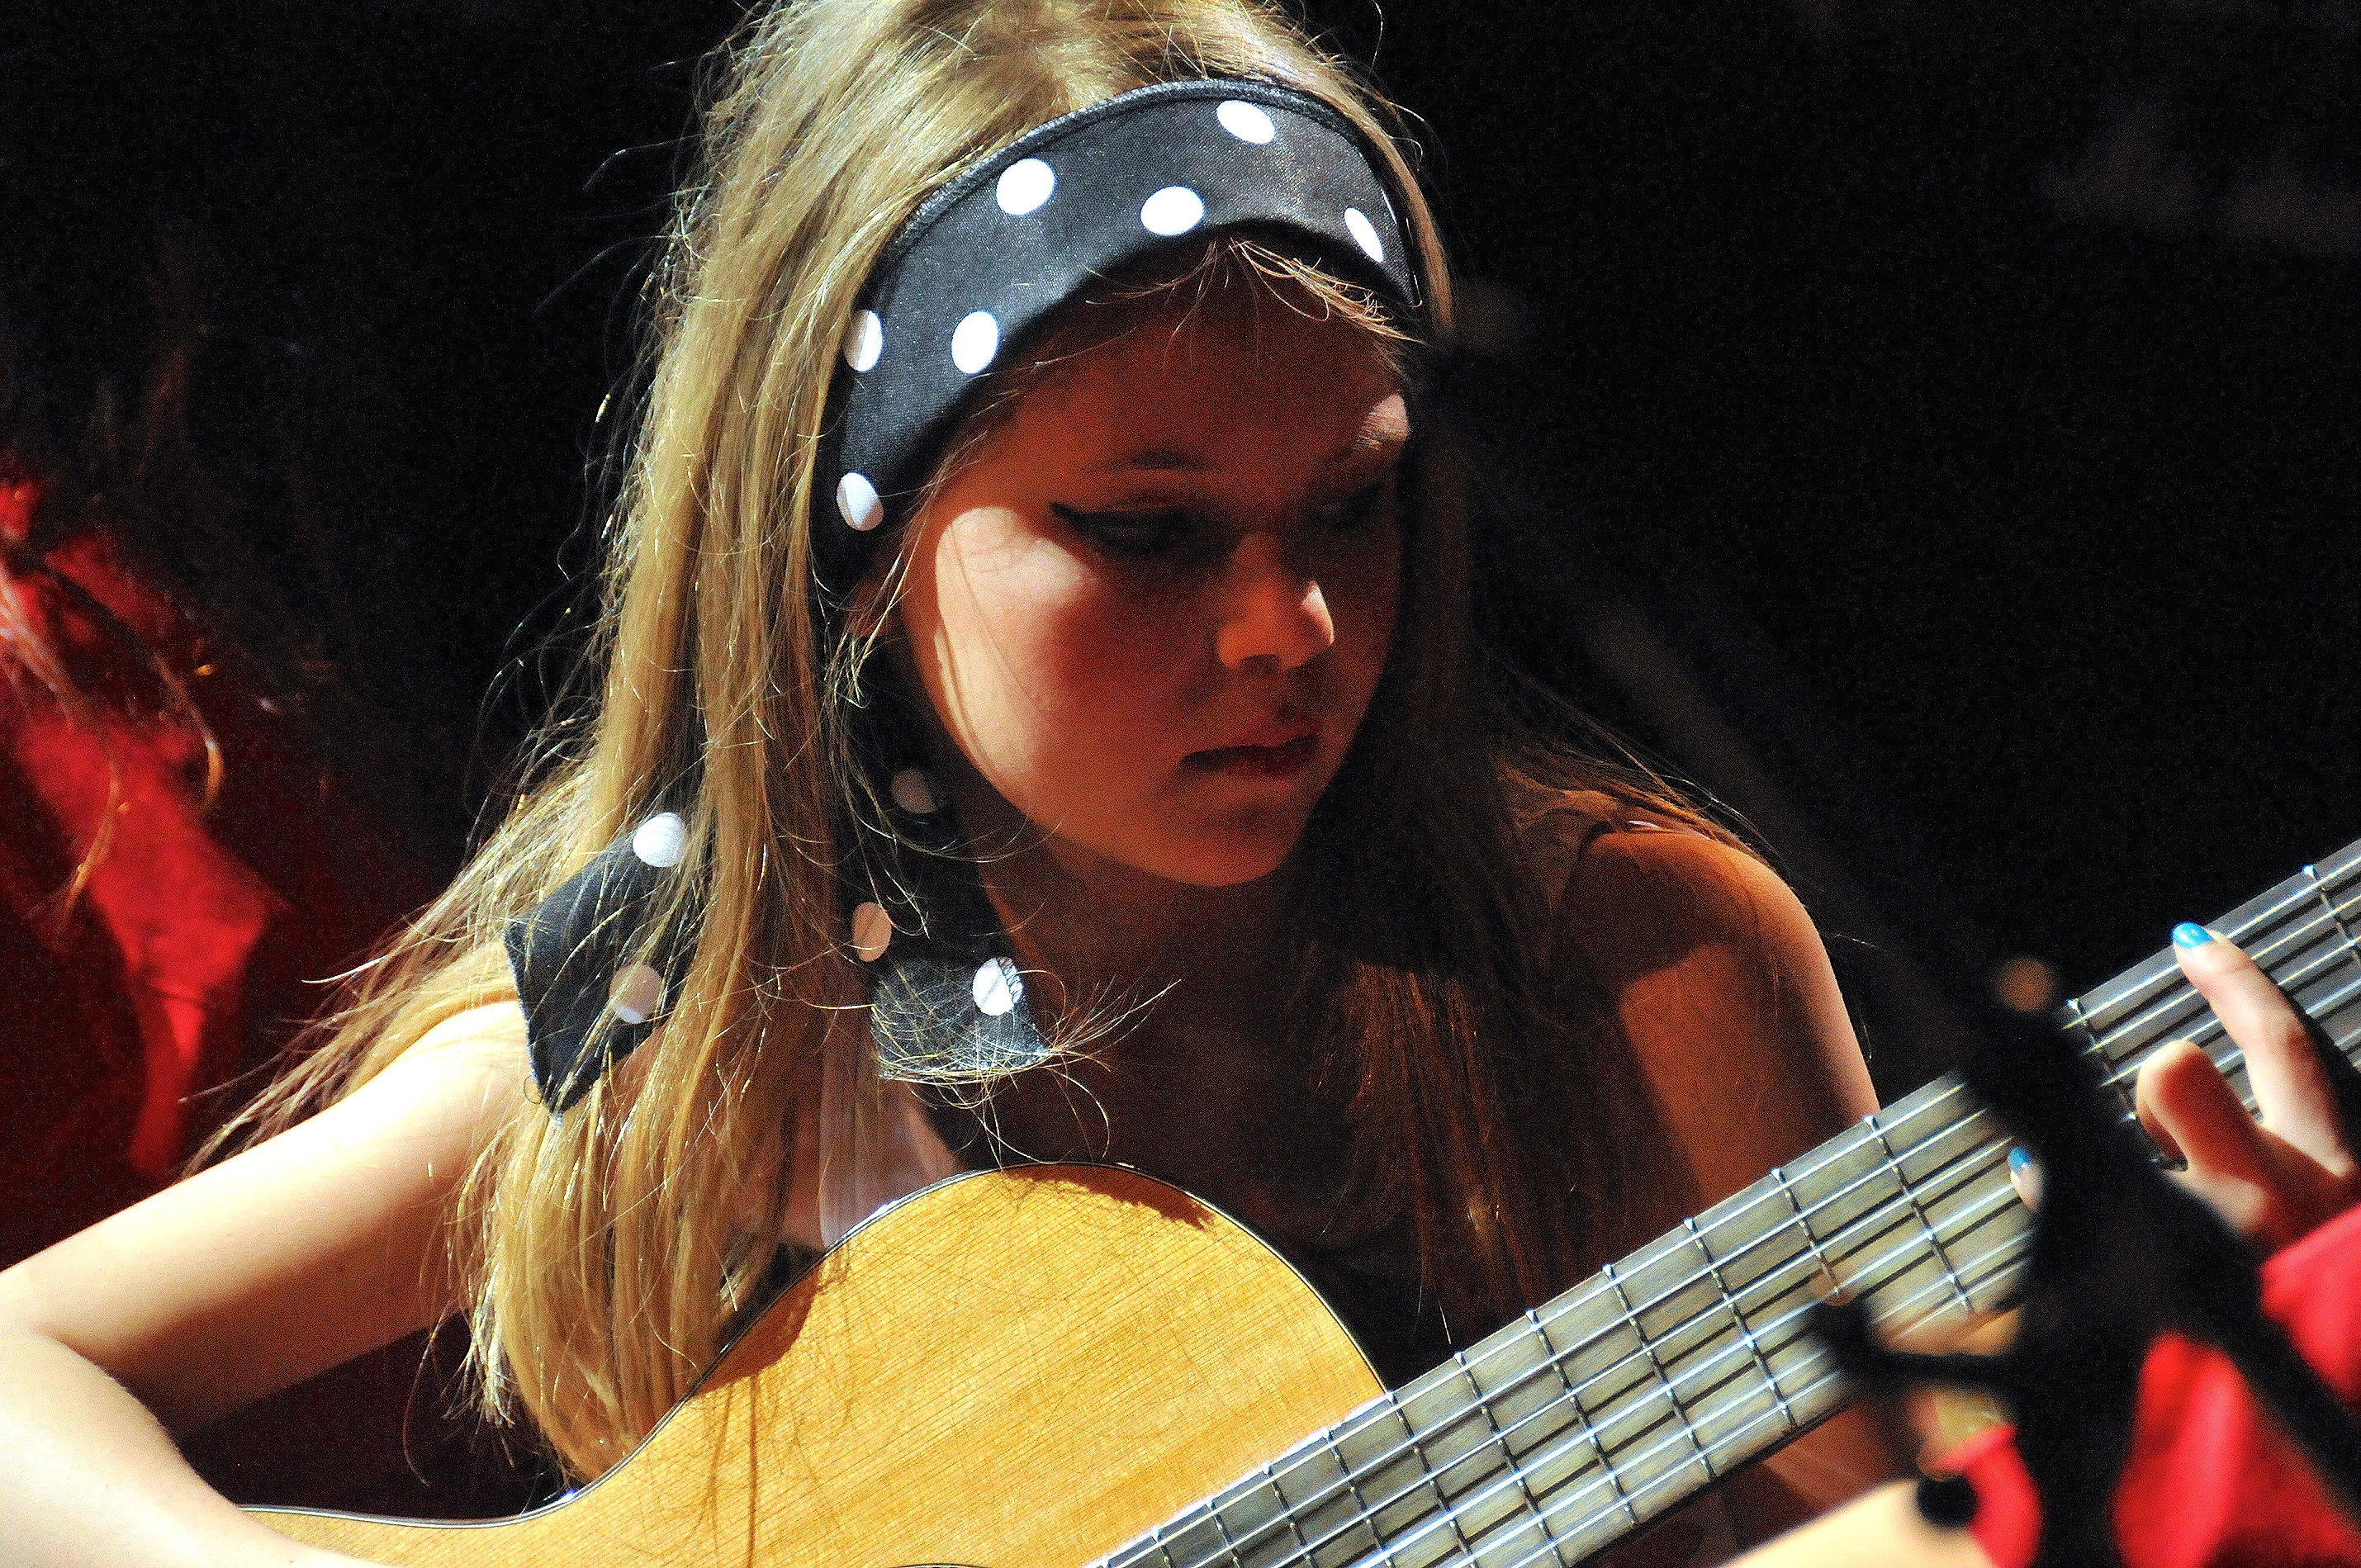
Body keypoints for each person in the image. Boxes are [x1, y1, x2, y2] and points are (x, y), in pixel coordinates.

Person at [0, 2, 2336, 1564]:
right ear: (848, 544)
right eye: (1145, 533)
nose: (1289, 626)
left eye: (1355, 504)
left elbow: (1895, 1542)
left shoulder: (1631, 958)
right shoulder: (711, 998)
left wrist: (2195, 1379)